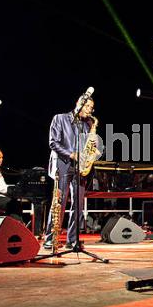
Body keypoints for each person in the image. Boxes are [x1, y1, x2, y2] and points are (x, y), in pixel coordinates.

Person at [43, 95, 96, 250]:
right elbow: (53, 142)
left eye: (91, 108)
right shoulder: (60, 118)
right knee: (59, 203)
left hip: (80, 167)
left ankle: (72, 240)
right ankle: (50, 238)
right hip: (63, 164)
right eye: (87, 107)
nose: (90, 110)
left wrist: (91, 150)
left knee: (78, 205)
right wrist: (71, 154)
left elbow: (88, 145)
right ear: (78, 104)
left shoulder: (87, 125)